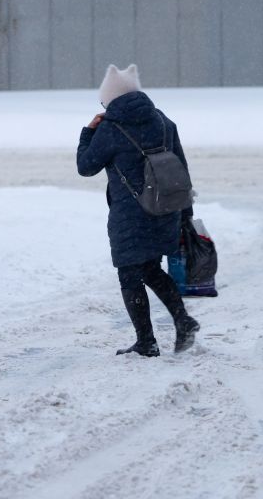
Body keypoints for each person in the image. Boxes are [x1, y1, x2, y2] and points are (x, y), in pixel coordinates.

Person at [76, 64, 200, 357]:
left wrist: (87, 133)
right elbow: (181, 167)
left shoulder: (108, 129)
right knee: (150, 269)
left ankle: (146, 341)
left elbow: (85, 167)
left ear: (111, 98)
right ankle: (183, 321)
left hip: (130, 216)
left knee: (129, 275)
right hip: (164, 209)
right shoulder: (163, 120)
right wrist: (186, 213)